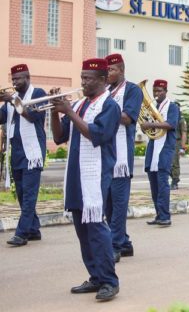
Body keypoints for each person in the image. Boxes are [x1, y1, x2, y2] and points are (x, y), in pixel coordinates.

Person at [51, 58, 121, 301]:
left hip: (96, 174)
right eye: (82, 78)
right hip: (76, 174)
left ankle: (110, 281)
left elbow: (97, 135)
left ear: (102, 80)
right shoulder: (80, 104)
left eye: (88, 79)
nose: (83, 82)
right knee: (82, 229)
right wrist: (53, 111)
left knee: (96, 228)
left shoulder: (109, 106)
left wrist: (68, 110)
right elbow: (60, 137)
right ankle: (96, 277)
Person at [0, 64, 47, 246]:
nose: (15, 82)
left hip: (33, 153)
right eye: (13, 79)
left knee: (29, 195)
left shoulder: (38, 93)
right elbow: (2, 118)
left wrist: (13, 100)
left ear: (27, 77)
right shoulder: (12, 99)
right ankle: (34, 229)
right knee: (21, 193)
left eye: (18, 79)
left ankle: (22, 233)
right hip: (17, 154)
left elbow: (32, 116)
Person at [104, 53, 143, 262]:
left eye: (111, 70)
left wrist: (104, 107)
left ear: (121, 69)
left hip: (120, 157)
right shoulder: (106, 92)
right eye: (106, 70)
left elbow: (127, 118)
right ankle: (125, 243)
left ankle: (116, 245)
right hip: (105, 154)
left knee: (118, 203)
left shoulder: (132, 90)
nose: (108, 74)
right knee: (108, 204)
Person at [143, 79, 179, 226]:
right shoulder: (154, 107)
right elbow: (150, 128)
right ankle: (159, 214)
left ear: (165, 91)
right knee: (154, 183)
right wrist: (145, 125)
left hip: (165, 148)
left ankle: (165, 216)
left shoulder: (172, 106)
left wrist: (150, 124)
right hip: (153, 147)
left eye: (159, 91)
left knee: (162, 182)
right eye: (155, 91)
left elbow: (171, 124)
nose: (156, 94)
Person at [170, 102, 187, 190]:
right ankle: (173, 177)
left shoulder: (181, 119)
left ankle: (175, 181)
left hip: (176, 142)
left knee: (174, 163)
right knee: (167, 163)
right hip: (169, 141)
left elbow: (184, 133)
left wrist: (182, 147)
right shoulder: (170, 116)